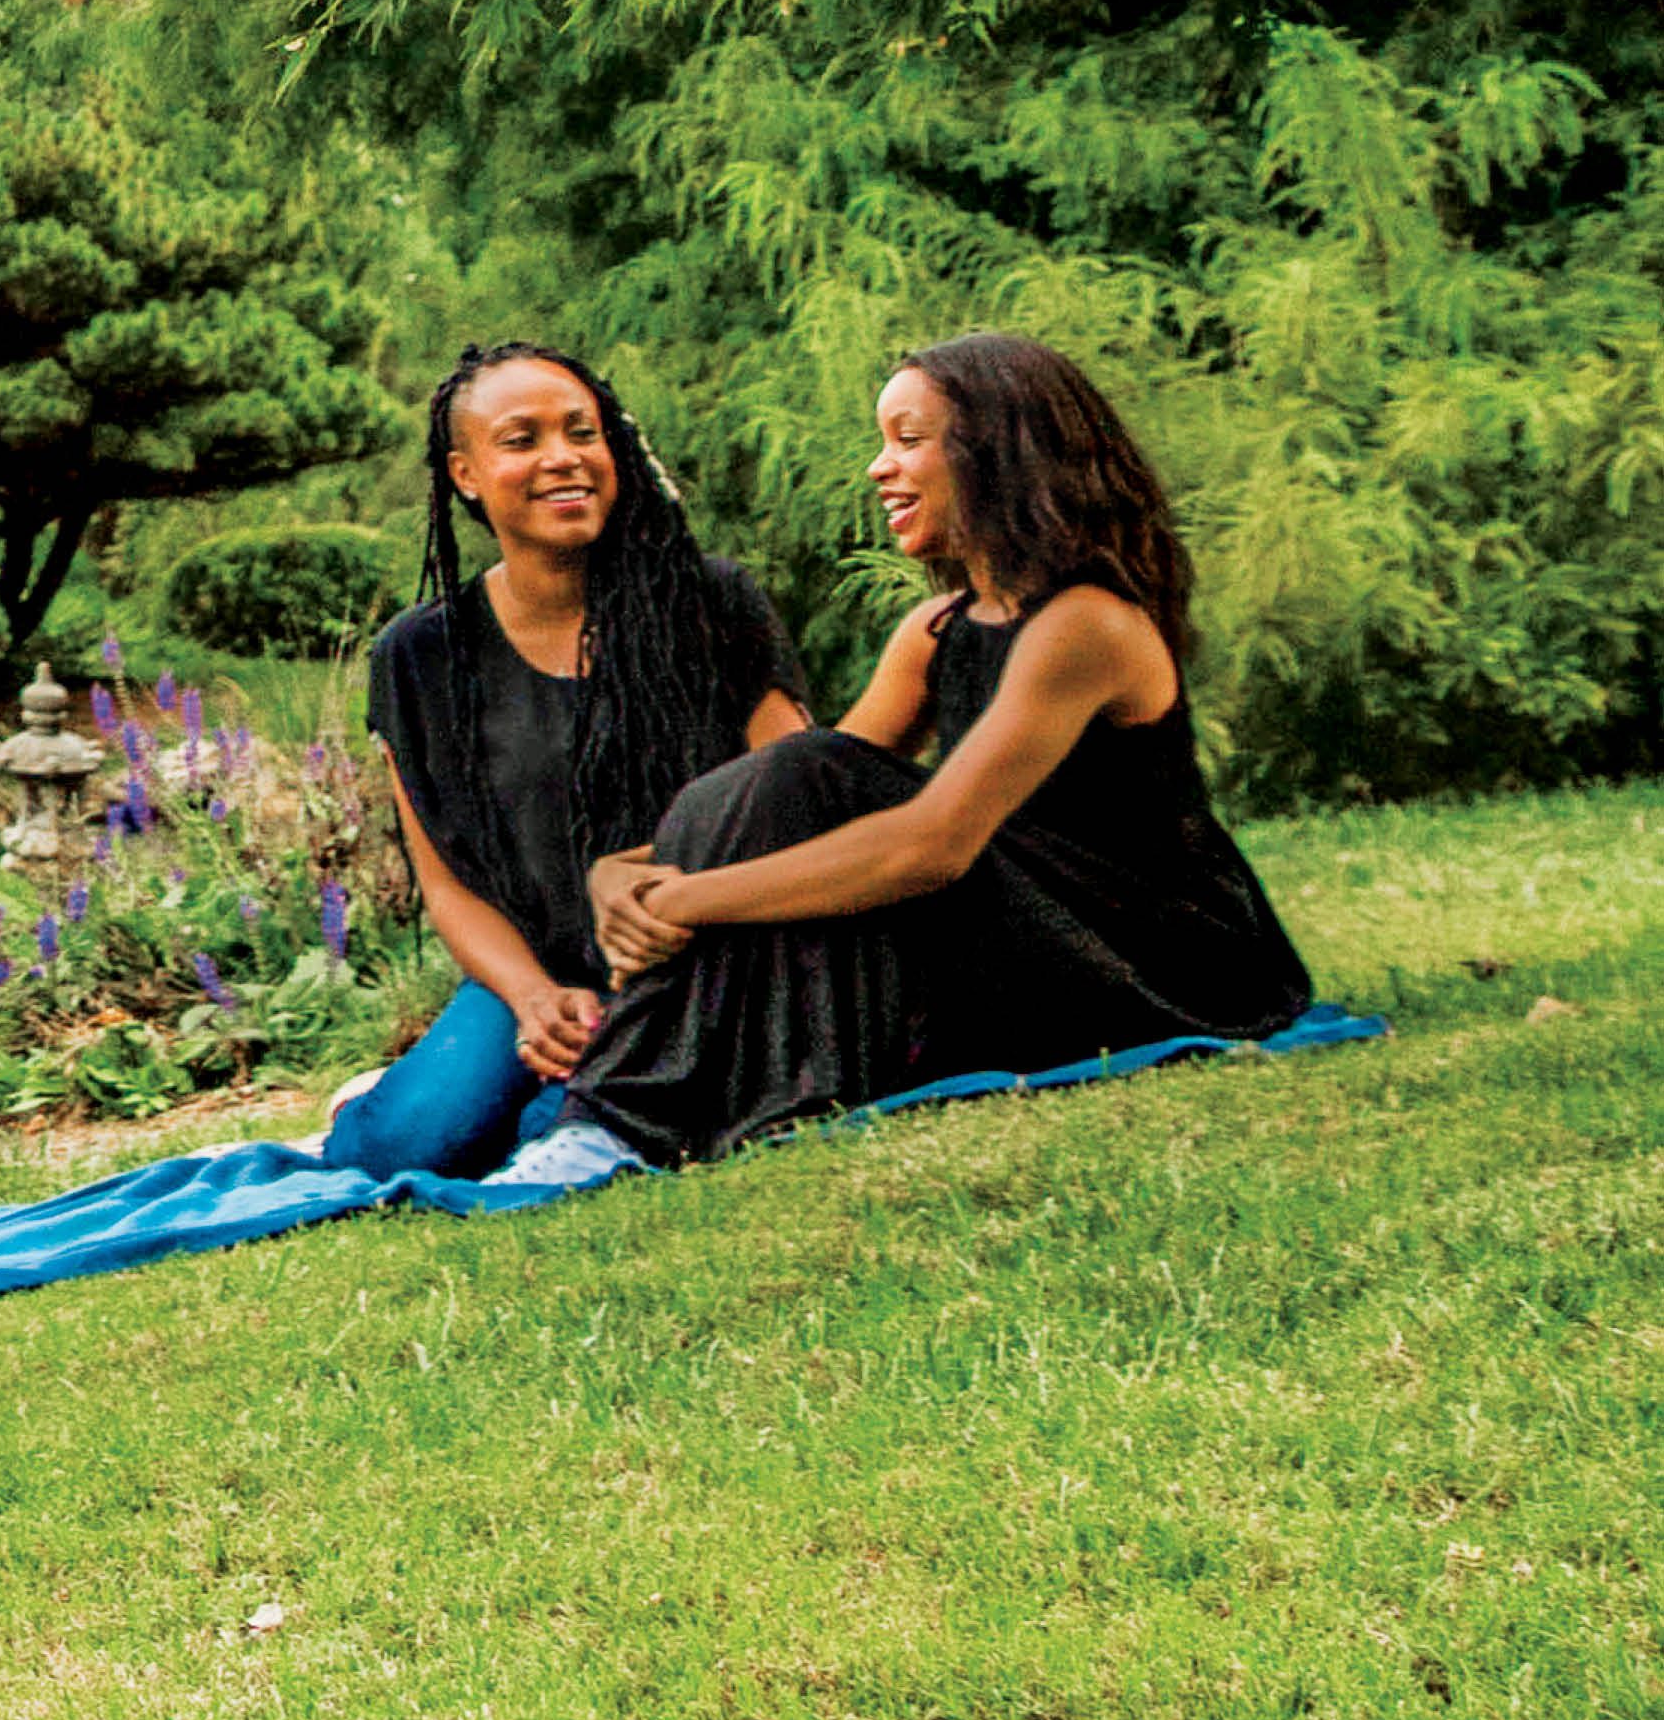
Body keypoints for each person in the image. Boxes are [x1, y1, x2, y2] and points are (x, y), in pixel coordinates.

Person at [559, 333, 1313, 1164]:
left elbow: (932, 847)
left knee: (804, 769)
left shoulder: (1084, 624)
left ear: (998, 451)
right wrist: (621, 870)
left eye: (907, 440)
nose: (879, 468)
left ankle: (614, 1118)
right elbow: (788, 804)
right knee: (792, 774)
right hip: (1031, 932)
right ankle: (631, 1109)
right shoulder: (934, 630)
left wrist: (680, 899)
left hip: (1157, 957)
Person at [330, 343, 812, 1181]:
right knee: (403, 1147)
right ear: (465, 474)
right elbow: (446, 885)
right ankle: (393, 1092)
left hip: (708, 962)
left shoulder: (709, 605)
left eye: (582, 432)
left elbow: (805, 797)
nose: (563, 458)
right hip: (542, 974)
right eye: (521, 440)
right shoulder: (416, 656)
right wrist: (529, 998)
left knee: (559, 1139)